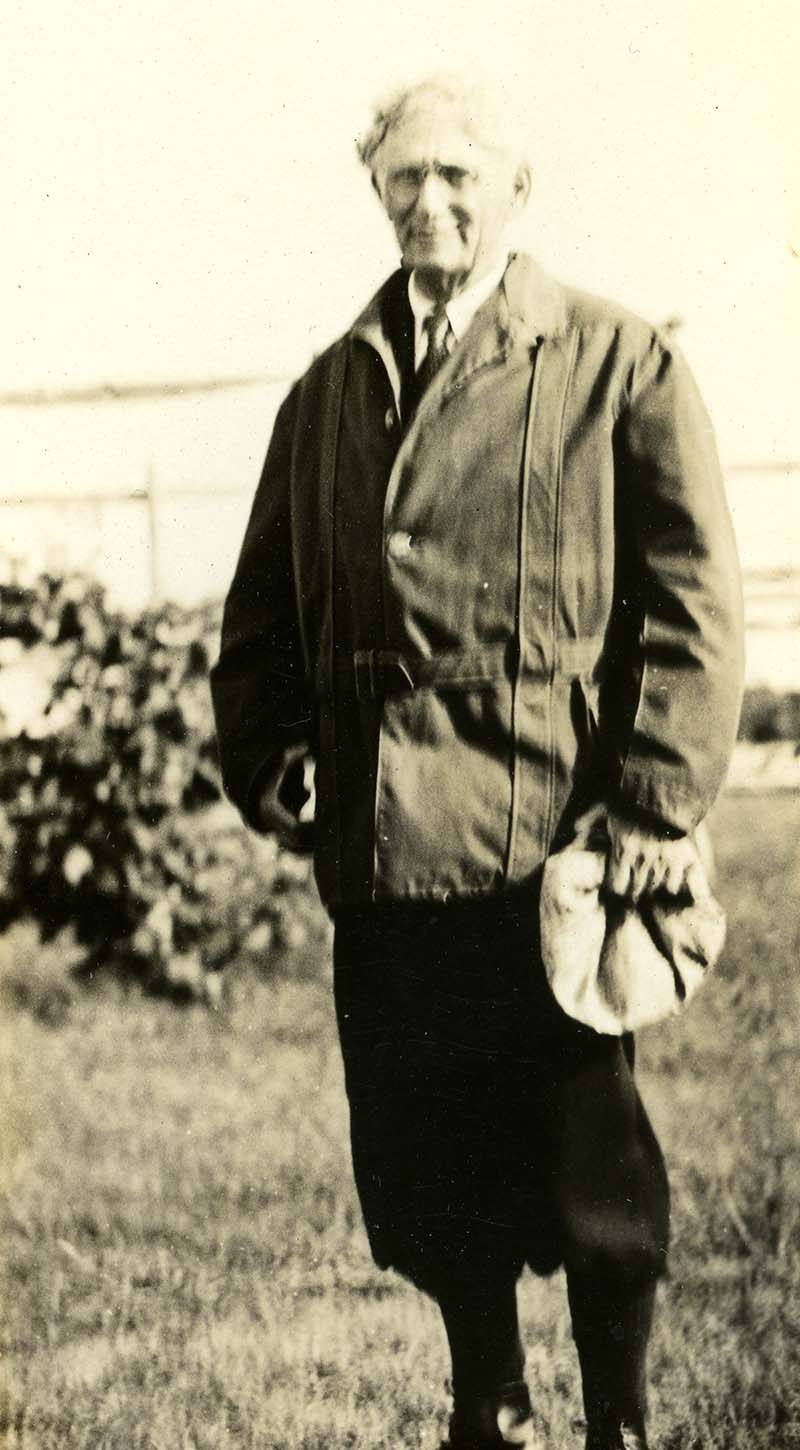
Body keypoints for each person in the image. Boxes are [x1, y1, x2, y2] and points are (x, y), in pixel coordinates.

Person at [210, 74, 744, 1450]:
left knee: (593, 1171)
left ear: (517, 192)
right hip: (386, 860)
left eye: (457, 176)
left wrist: (657, 796)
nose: (428, 202)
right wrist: (275, 760)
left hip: (550, 843)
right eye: (403, 178)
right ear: (374, 194)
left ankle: (621, 1417)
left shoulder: (617, 364)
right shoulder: (328, 393)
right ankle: (484, 1402)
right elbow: (260, 617)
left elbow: (693, 602)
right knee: (428, 1160)